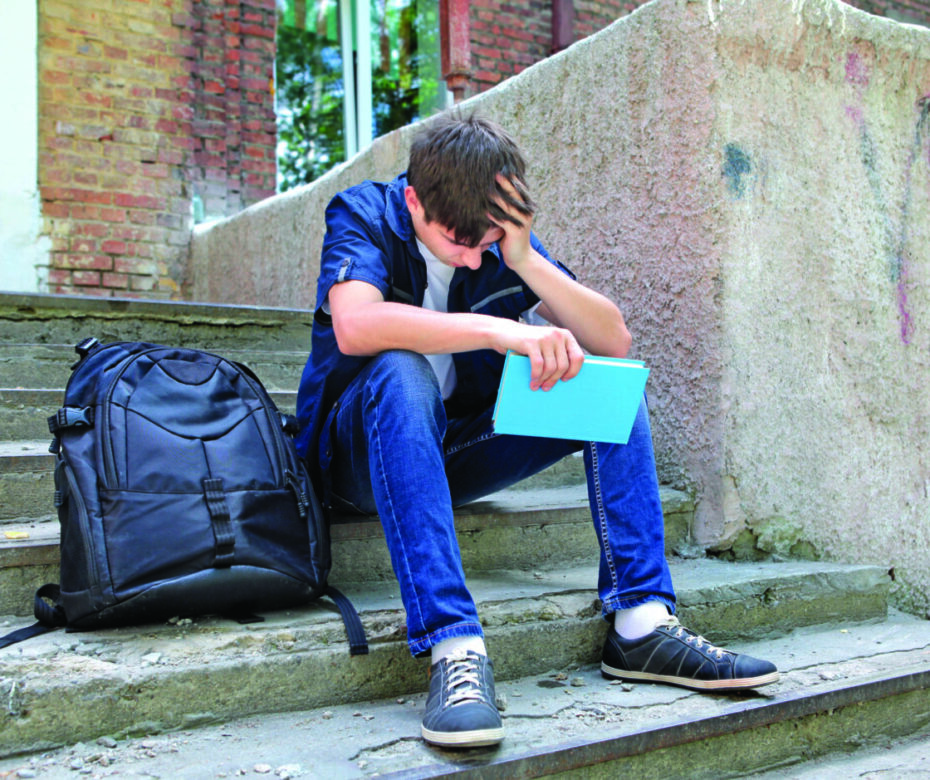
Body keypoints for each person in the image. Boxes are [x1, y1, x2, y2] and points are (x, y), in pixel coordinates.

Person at [295, 113, 778, 749]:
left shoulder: (499, 243)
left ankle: (641, 623)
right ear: (414, 199)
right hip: (353, 462)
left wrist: (522, 256)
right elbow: (357, 324)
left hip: (450, 455)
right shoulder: (363, 212)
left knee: (606, 387)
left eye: (488, 240)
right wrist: (501, 330)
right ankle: (454, 648)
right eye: (457, 241)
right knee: (401, 370)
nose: (473, 256)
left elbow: (613, 338)